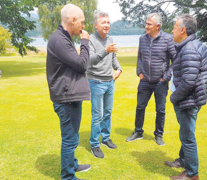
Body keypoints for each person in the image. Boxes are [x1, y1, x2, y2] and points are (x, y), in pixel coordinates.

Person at [46, 4, 91, 180]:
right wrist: (85, 42)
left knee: (72, 137)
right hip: (66, 98)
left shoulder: (63, 38)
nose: (83, 26)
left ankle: (72, 165)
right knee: (70, 139)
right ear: (72, 20)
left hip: (68, 96)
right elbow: (82, 64)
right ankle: (68, 176)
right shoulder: (59, 40)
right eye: (82, 22)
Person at [165, 14, 207, 180]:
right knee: (186, 132)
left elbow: (189, 82)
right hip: (191, 99)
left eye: (175, 27)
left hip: (187, 100)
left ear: (183, 30)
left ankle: (192, 174)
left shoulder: (189, 49)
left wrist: (174, 97)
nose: (172, 30)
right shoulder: (192, 45)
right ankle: (183, 161)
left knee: (187, 137)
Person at [126, 13, 176, 146]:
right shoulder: (142, 38)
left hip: (160, 82)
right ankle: (138, 132)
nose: (146, 26)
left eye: (149, 24)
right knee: (140, 107)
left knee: (160, 109)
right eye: (146, 23)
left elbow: (176, 61)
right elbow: (139, 57)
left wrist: (165, 78)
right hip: (145, 81)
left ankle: (158, 135)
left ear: (158, 26)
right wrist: (139, 72)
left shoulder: (168, 39)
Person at [87, 11, 122, 158]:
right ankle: (94, 144)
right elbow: (89, 60)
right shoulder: (90, 40)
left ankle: (105, 138)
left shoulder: (110, 39)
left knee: (107, 113)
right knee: (97, 116)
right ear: (96, 25)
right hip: (96, 82)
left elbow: (113, 58)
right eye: (103, 22)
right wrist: (105, 51)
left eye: (108, 22)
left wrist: (119, 68)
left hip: (110, 82)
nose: (106, 25)